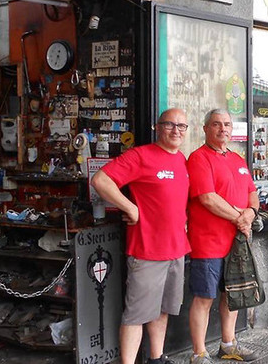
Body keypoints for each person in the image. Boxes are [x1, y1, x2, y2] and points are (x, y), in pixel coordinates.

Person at [91, 108, 189, 364]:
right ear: (157, 127)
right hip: (147, 250)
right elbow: (101, 180)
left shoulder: (182, 160)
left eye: (181, 126)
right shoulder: (140, 156)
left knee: (163, 310)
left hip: (176, 249)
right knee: (136, 315)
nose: (176, 130)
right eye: (170, 124)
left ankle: (156, 358)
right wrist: (130, 207)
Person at [187, 109, 260, 364]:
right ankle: (198, 353)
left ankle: (228, 345)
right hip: (208, 242)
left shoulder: (238, 159)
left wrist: (250, 212)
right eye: (216, 124)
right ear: (205, 128)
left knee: (232, 295)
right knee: (204, 297)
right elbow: (207, 198)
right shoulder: (198, 158)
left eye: (227, 124)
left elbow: (253, 192)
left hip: (236, 243)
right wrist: (240, 217)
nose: (223, 129)